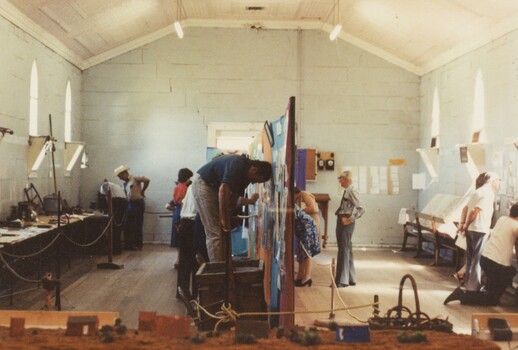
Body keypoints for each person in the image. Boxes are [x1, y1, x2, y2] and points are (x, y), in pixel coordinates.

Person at [192, 154, 272, 262]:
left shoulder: (245, 178)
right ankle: (218, 270)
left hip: (214, 187)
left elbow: (233, 199)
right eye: (256, 180)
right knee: (215, 231)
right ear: (254, 170)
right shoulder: (238, 163)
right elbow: (223, 191)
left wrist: (228, 219)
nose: (254, 182)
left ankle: (225, 265)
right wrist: (224, 219)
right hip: (204, 184)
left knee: (223, 229)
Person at [444, 204, 518, 305]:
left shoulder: (502, 219)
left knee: (508, 273)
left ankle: (490, 291)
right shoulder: (515, 225)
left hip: (485, 260)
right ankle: (461, 294)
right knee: (492, 298)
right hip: (496, 265)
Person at [456, 172, 500, 291]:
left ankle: (467, 283)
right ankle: (473, 288)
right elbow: (474, 211)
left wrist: (463, 224)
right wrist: (465, 225)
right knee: (477, 260)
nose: (499, 183)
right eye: (498, 180)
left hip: (472, 230)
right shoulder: (488, 193)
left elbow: (465, 208)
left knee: (470, 259)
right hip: (479, 229)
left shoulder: (477, 191)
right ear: (492, 181)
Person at [334, 170, 365, 288]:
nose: (339, 181)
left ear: (346, 179)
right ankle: (351, 278)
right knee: (347, 249)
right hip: (342, 220)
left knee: (343, 249)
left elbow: (362, 208)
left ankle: (342, 280)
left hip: (345, 223)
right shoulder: (347, 191)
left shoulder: (352, 191)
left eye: (340, 178)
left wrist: (350, 219)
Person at [114, 165, 150, 251]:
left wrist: (143, 191)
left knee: (137, 224)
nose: (119, 178)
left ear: (124, 173)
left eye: (120, 176)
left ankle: (138, 245)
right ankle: (129, 245)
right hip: (130, 204)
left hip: (138, 203)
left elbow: (147, 180)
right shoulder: (124, 183)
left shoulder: (135, 178)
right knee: (127, 225)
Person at [175, 183, 199, 300]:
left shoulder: (192, 186)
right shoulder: (206, 186)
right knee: (198, 260)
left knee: (185, 261)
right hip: (194, 223)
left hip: (185, 222)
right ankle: (197, 294)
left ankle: (182, 293)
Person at [294, 205, 321, 287]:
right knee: (300, 251)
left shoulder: (303, 195)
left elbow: (314, 208)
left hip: (307, 226)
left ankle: (307, 277)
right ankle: (300, 275)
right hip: (302, 227)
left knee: (307, 251)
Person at [168, 168, 194, 249]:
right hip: (184, 211)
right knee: (184, 238)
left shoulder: (177, 187)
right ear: (187, 178)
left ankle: (178, 258)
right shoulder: (187, 188)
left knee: (177, 237)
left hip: (177, 211)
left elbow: (175, 201)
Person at [99, 180, 127, 255]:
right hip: (124, 202)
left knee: (114, 227)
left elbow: (107, 195)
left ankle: (113, 250)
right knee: (118, 227)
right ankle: (117, 249)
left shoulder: (104, 185)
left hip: (116, 201)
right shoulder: (115, 185)